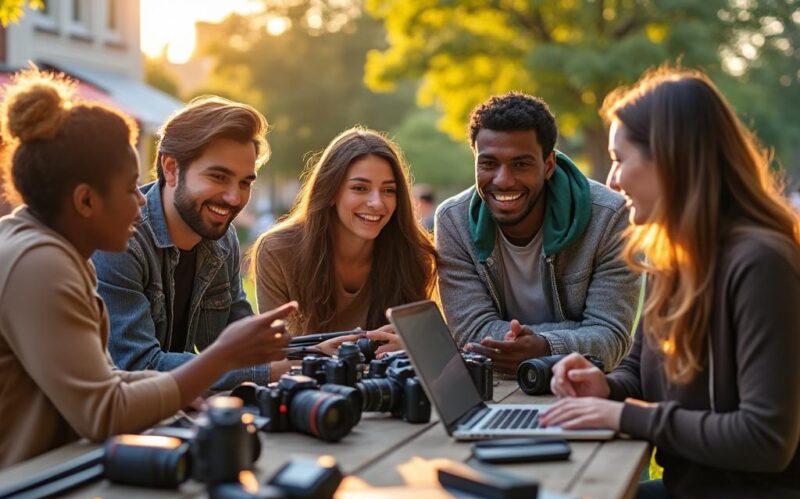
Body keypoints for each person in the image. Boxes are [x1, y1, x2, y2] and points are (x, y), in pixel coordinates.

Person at [541, 67, 800, 499]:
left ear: (672, 160)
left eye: (620, 160)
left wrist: (623, 415)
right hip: (705, 493)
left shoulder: (761, 263)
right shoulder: (673, 258)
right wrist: (605, 386)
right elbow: (641, 369)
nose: (612, 181)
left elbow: (766, 439)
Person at [0, 69, 296, 467]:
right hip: (22, 491)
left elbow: (108, 379)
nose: (141, 201)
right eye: (129, 188)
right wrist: (222, 357)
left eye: (245, 182)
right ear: (86, 201)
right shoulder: (39, 264)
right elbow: (104, 411)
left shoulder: (52, 253)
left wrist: (176, 390)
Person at [435, 92, 640, 375]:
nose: (503, 180)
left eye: (521, 164)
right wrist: (571, 336)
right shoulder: (453, 221)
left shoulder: (609, 216)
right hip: (499, 386)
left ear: (548, 166)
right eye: (488, 164)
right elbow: (470, 332)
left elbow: (611, 337)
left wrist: (545, 346)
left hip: (583, 383)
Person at [92, 95, 274, 389]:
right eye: (218, 177)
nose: (234, 198)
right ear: (171, 168)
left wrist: (312, 353)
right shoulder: (121, 240)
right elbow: (138, 366)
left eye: (245, 183)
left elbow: (245, 345)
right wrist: (269, 372)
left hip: (177, 408)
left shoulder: (222, 238)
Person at [253, 127, 436, 356]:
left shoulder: (414, 254)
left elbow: (433, 351)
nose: (377, 203)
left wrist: (411, 350)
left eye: (389, 190)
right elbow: (272, 356)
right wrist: (317, 354)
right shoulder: (277, 251)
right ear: (330, 191)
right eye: (360, 188)